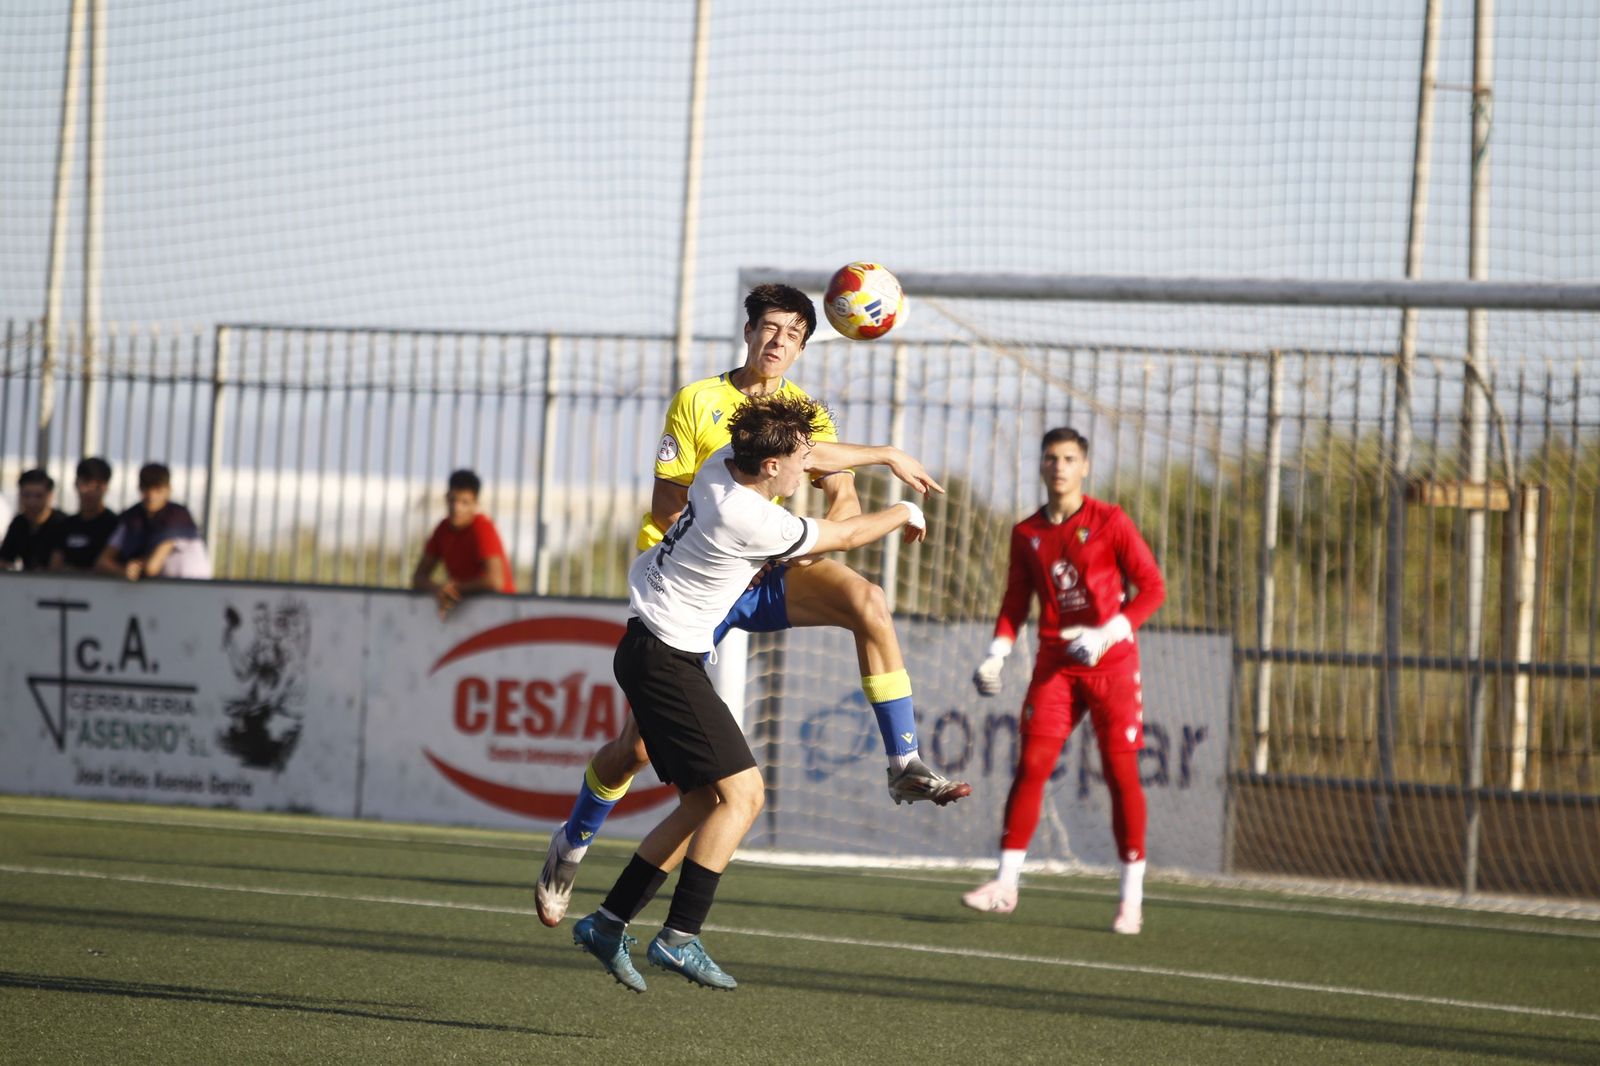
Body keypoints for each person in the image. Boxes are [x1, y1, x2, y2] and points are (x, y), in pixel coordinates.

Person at [537, 283, 970, 927]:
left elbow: (843, 500)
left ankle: (902, 760)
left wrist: (824, 523)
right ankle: (572, 840)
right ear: (747, 331)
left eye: (794, 334)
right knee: (636, 751)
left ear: (804, 348)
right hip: (690, 588)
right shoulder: (699, 401)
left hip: (761, 566)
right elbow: (667, 508)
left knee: (867, 600)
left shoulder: (803, 413)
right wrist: (750, 543)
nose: (779, 342)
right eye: (770, 327)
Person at [572, 392, 930, 992]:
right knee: (745, 796)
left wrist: (885, 454)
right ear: (769, 466)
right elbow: (843, 538)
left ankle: (607, 924)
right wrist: (902, 511)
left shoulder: (720, 466)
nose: (807, 468)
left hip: (649, 649)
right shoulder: (753, 520)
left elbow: (815, 457)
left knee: (701, 804)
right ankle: (679, 937)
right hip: (665, 663)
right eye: (798, 462)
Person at [962, 427, 1166, 935]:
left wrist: (1107, 633)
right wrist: (996, 654)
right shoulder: (1026, 532)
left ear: (1085, 467)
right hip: (1055, 665)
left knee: (1120, 775)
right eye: (1052, 458)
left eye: (1070, 459)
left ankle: (1131, 899)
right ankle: (1005, 885)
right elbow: (1015, 601)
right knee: (1031, 765)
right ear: (1041, 464)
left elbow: (1152, 588)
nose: (1060, 467)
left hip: (1111, 665)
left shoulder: (1110, 521)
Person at [410, 468, 515, 618]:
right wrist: (438, 590)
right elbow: (418, 577)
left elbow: (495, 581)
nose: (456, 508)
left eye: (465, 502)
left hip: (499, 612)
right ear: (446, 498)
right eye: (453, 500)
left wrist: (455, 589)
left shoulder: (482, 528)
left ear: (475, 504)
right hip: (467, 612)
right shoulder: (442, 529)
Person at [96, 463, 213, 580]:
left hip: (192, 587)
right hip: (162, 588)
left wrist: (136, 566)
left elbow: (152, 568)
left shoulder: (177, 516)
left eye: (158, 490)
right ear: (139, 488)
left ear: (168, 490)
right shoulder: (132, 518)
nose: (151, 496)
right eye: (146, 489)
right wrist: (123, 570)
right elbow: (102, 562)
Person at [50, 457, 118, 572]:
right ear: (76, 484)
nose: (90, 491)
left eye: (97, 486)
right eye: (85, 483)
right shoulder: (65, 525)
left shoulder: (115, 526)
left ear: (106, 487)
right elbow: (55, 566)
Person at [0, 468, 68, 572]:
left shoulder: (62, 523)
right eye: (26, 495)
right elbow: (5, 559)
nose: (32, 502)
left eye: (38, 496)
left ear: (50, 496)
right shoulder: (19, 523)